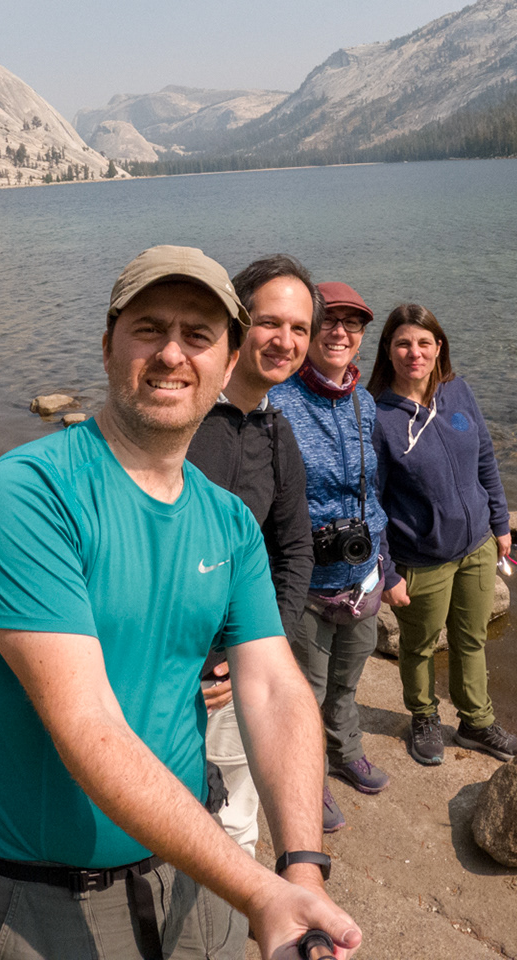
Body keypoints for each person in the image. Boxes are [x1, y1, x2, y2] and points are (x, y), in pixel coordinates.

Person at [0, 245, 359, 960]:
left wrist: (301, 866)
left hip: (189, 862)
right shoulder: (29, 494)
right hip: (50, 891)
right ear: (109, 344)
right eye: (150, 329)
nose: (174, 353)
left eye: (199, 335)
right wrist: (260, 890)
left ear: (228, 362)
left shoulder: (229, 523)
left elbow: (271, 687)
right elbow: (88, 724)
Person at [186, 255, 317, 856]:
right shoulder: (182, 417)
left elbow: (294, 552)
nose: (285, 342)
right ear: (238, 323)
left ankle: (215, 937)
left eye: (299, 329)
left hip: (237, 673)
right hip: (165, 670)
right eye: (271, 323)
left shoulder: (276, 433)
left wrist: (263, 649)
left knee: (236, 820)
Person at [269, 281, 406, 835]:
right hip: (306, 580)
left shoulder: (363, 400)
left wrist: (386, 563)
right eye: (329, 321)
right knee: (306, 689)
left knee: (348, 680)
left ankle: (346, 750)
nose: (342, 332)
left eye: (354, 324)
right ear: (309, 329)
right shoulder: (278, 400)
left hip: (364, 574)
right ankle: (308, 777)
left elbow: (372, 493)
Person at [368, 303, 517, 766]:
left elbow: (485, 460)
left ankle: (476, 722)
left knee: (471, 638)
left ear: (439, 348)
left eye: (423, 342)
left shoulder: (456, 391)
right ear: (388, 351)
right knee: (418, 645)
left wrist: (500, 524)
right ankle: (423, 715)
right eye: (403, 343)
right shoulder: (378, 416)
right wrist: (388, 570)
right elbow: (370, 501)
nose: (414, 352)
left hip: (477, 544)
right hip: (421, 556)